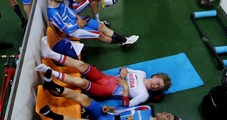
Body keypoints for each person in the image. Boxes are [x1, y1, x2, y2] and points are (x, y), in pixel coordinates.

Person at [39, 73, 179, 120]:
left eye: (168, 116)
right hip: (106, 114)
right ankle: (53, 86)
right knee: (84, 98)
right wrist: (111, 108)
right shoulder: (146, 109)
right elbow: (125, 109)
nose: (166, 112)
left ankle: (51, 115)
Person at [36, 36, 171, 106]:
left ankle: (49, 71)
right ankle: (50, 54)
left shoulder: (144, 95)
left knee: (82, 82)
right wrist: (123, 70)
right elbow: (124, 69)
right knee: (82, 65)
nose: (155, 86)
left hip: (105, 90)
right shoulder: (142, 73)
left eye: (158, 87)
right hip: (104, 78)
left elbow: (126, 106)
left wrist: (125, 90)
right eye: (157, 82)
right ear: (154, 76)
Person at [47, 0, 139, 45]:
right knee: (100, 35)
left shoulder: (60, 2)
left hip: (79, 21)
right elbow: (66, 31)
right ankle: (123, 41)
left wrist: (78, 18)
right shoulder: (53, 13)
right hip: (75, 30)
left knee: (102, 27)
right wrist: (80, 24)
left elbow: (71, 12)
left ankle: (125, 40)